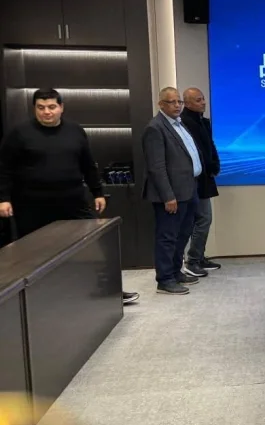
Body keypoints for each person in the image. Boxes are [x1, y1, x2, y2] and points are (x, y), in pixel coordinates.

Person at [0, 88, 138, 304]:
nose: (47, 112)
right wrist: (4, 198)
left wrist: (97, 192)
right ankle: (41, 300)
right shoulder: (19, 133)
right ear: (34, 109)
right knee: (34, 252)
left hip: (73, 200)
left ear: (61, 107)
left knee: (99, 242)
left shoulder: (75, 131)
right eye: (41, 107)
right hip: (31, 204)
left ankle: (110, 290)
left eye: (51, 107)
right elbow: (4, 169)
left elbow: (87, 165)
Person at [142, 87, 202, 295]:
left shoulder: (179, 124)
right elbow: (156, 167)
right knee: (167, 237)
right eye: (172, 102)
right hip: (171, 195)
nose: (177, 105)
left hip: (188, 189)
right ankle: (165, 279)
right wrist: (168, 196)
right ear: (161, 104)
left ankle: (176, 271)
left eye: (179, 102)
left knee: (182, 234)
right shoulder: (155, 128)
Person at [180, 87, 221, 277]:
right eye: (198, 100)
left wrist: (215, 165)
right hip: (195, 179)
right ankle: (193, 261)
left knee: (202, 219)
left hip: (205, 177)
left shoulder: (203, 122)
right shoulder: (184, 124)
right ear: (187, 103)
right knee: (203, 219)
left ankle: (199, 257)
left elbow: (210, 147)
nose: (203, 102)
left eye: (203, 99)